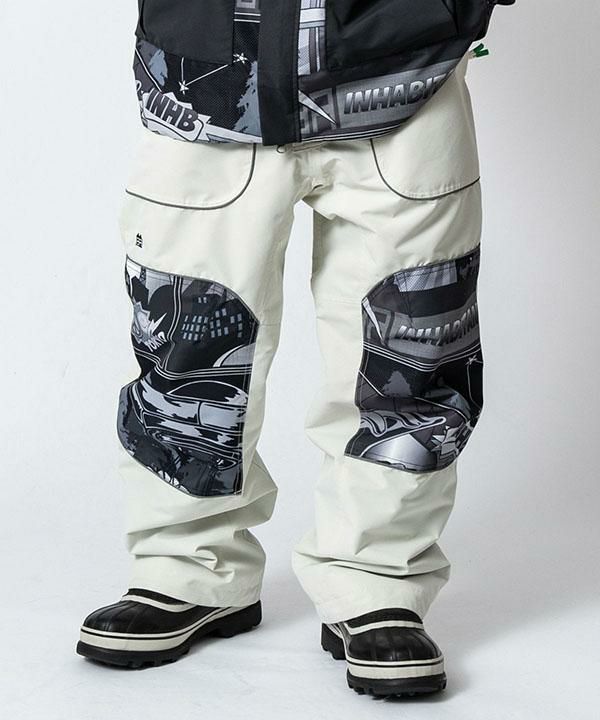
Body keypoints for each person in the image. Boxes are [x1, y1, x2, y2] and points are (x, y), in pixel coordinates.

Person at [76, 0, 514, 697]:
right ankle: (188, 569)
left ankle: (378, 581)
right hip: (202, 74)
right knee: (184, 344)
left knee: (411, 353)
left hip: (405, 66)